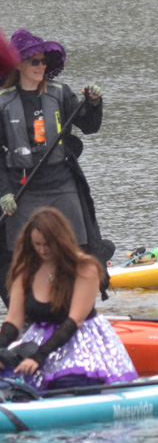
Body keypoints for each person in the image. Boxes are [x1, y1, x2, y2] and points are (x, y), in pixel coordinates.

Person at [0, 28, 111, 305]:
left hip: (62, 184)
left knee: (77, 248)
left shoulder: (61, 94)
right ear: (19, 65)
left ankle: (77, 307)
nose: (41, 67)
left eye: (44, 61)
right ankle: (27, 311)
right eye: (34, 62)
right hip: (23, 189)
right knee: (21, 255)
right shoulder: (3, 102)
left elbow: (90, 126)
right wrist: (4, 192)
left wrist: (94, 104)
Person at [0, 207, 136, 392]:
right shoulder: (24, 270)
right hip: (38, 340)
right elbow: (14, 321)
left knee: (68, 382)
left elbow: (74, 321)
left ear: (61, 241)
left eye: (48, 244)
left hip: (78, 340)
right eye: (37, 244)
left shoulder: (85, 267)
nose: (42, 250)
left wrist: (39, 357)